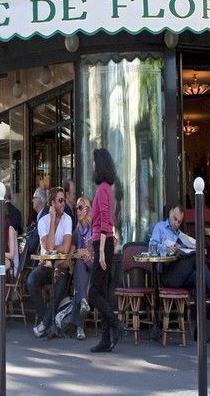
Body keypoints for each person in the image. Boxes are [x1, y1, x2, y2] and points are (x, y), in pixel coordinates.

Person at [149, 204, 210, 307]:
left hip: (182, 275)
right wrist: (165, 248)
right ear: (170, 213)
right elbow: (151, 247)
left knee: (199, 274)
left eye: (179, 222)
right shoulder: (160, 227)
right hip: (168, 275)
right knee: (196, 258)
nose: (176, 223)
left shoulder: (179, 234)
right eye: (175, 219)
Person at [88, 148, 122, 353]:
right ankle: (105, 338)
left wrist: (100, 252)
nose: (92, 166)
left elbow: (104, 223)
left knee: (93, 293)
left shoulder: (102, 189)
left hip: (103, 243)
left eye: (94, 163)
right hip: (105, 242)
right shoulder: (108, 188)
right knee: (101, 291)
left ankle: (115, 323)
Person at [27, 186, 72, 338]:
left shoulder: (68, 219)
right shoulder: (43, 221)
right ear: (52, 204)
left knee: (60, 281)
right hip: (46, 266)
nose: (63, 204)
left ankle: (44, 324)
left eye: (64, 200)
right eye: (59, 201)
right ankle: (43, 319)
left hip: (60, 266)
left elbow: (65, 249)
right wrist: (52, 220)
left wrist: (53, 248)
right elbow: (49, 247)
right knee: (31, 280)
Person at [70, 196, 93, 340]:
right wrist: (76, 253)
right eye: (76, 208)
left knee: (80, 287)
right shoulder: (76, 231)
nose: (77, 211)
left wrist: (87, 251)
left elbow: (103, 247)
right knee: (78, 264)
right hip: (82, 270)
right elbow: (71, 251)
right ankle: (83, 301)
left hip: (95, 268)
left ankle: (79, 327)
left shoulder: (94, 228)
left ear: (87, 210)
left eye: (80, 207)